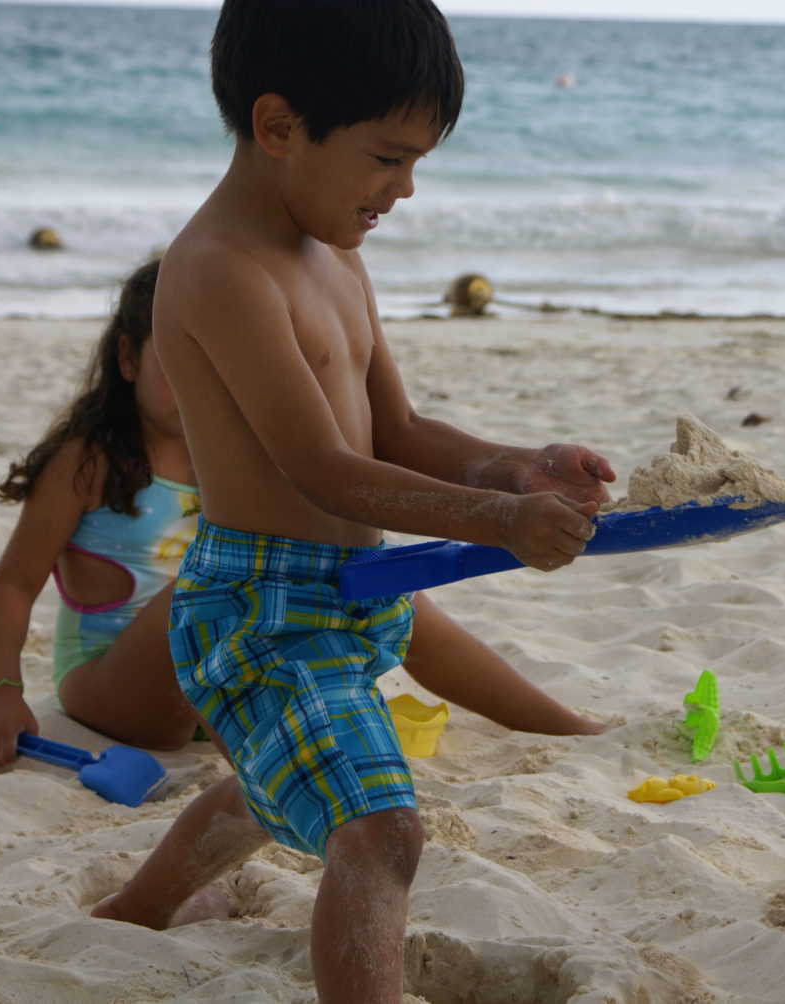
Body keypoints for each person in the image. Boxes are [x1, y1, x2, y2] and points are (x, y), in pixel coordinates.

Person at [91, 3, 616, 1001]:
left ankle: (143, 904)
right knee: (380, 827)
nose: (406, 188)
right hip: (258, 610)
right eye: (388, 157)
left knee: (276, 782)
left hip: (350, 592)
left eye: (418, 161)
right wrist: (498, 526)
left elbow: (401, 435)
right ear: (279, 126)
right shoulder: (219, 272)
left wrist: (513, 467)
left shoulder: (337, 257)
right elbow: (319, 466)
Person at [0, 257, 605, 767]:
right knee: (196, 591)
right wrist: (3, 694)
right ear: (129, 360)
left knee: (387, 586)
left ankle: (565, 727)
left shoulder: (233, 454)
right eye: (181, 366)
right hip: (119, 688)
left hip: (221, 671)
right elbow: (13, 583)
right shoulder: (89, 461)